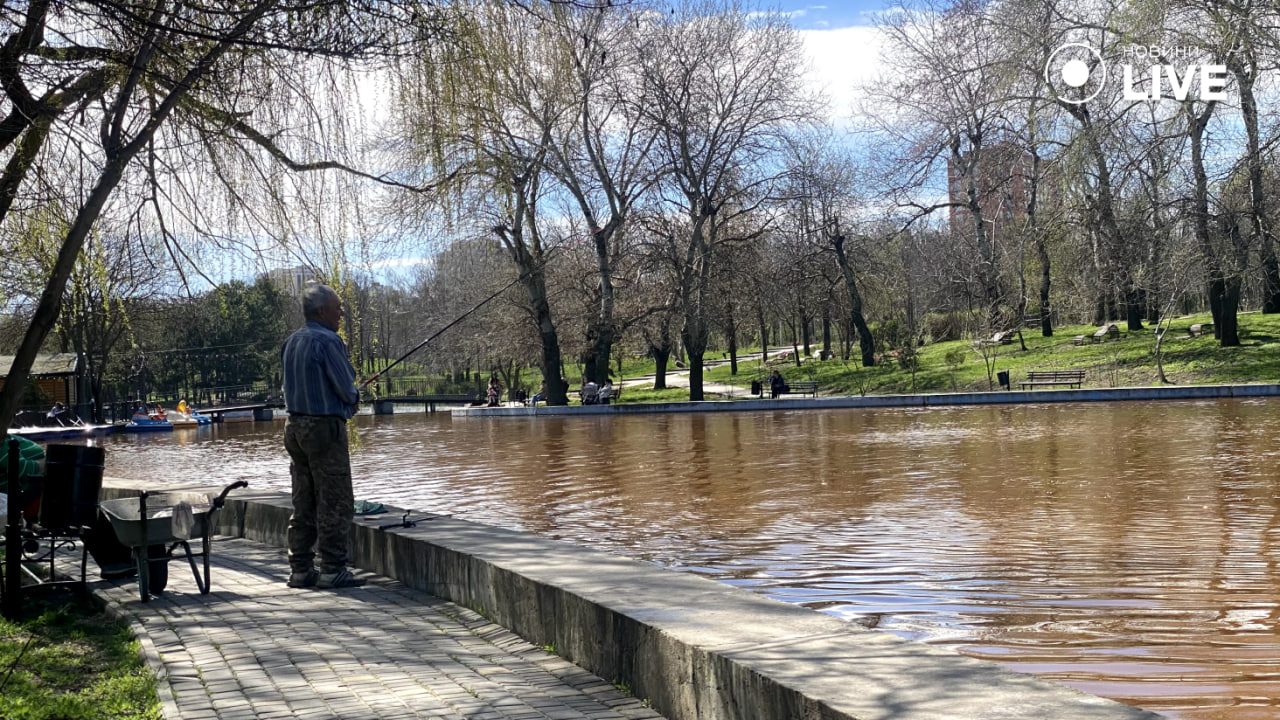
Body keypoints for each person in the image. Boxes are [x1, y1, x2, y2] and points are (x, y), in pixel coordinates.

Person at [281, 283, 364, 590]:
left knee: (303, 499)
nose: (341, 312)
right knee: (335, 500)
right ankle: (332, 569)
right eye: (337, 307)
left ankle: (300, 569)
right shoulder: (329, 341)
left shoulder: (290, 342)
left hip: (294, 427)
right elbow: (345, 387)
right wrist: (352, 400)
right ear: (320, 311)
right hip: (324, 430)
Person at [0, 433, 46, 523]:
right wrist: (49, 461)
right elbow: (22, 470)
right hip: (25, 498)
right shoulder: (2, 443)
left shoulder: (5, 438)